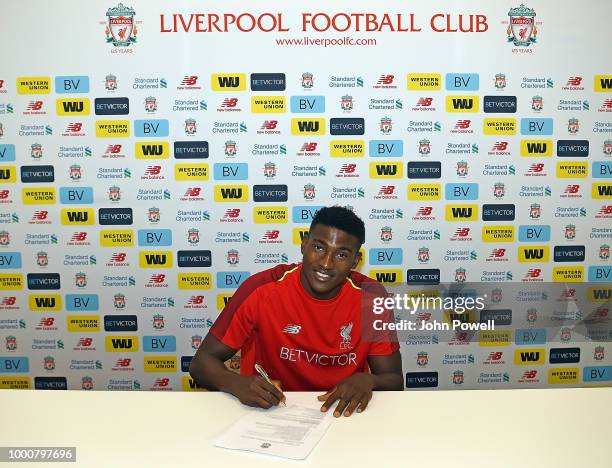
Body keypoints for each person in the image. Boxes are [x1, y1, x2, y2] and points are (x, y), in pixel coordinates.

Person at [189, 206, 403, 417]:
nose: (326, 263)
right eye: (319, 248)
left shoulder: (372, 298)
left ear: (355, 262)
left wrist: (369, 380)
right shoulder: (262, 289)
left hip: (341, 413)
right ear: (304, 244)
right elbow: (201, 363)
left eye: (342, 255)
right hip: (272, 411)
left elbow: (394, 379)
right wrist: (236, 383)